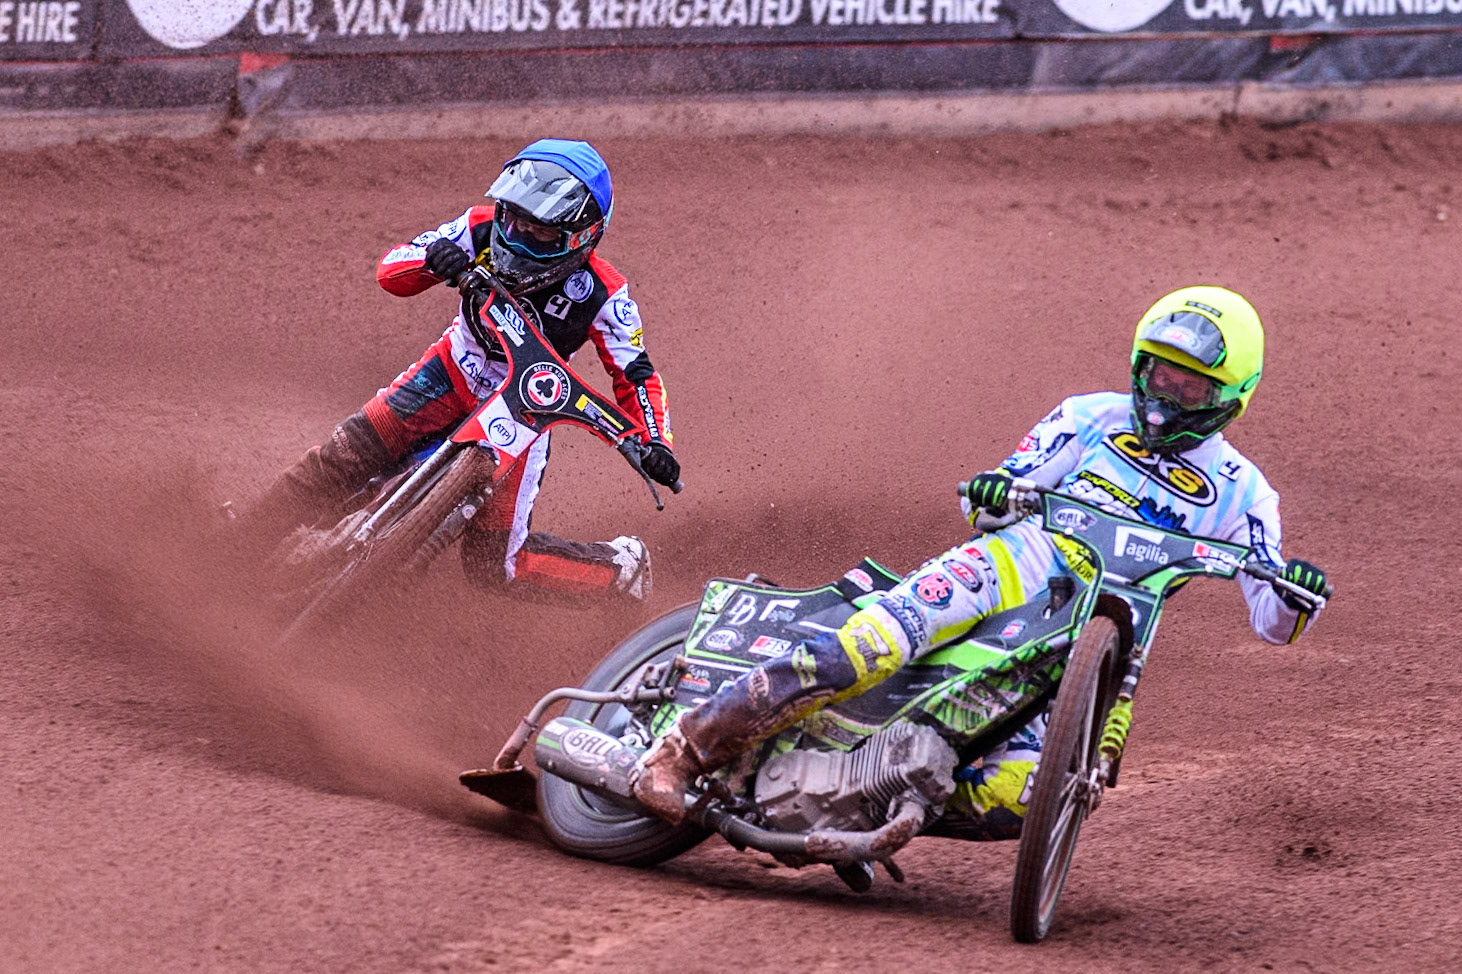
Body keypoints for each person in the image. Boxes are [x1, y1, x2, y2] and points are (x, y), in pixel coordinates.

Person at [632, 285, 1330, 826]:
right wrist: (996, 491)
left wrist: (1296, 592)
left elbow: (1273, 618)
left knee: (1032, 794)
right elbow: (991, 501)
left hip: (1104, 646)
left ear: (1231, 397)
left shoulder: (1246, 494)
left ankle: (860, 801)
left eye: (1191, 386)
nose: (1167, 394)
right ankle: (682, 751)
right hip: (1011, 568)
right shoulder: (1089, 416)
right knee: (863, 650)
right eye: (1159, 373)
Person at [240, 139, 678, 602]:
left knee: (496, 567)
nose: (519, 236)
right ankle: (237, 545)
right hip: (451, 371)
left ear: (581, 235)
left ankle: (620, 572)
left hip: (526, 409)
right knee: (342, 458)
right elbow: (391, 268)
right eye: (513, 219)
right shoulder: (479, 227)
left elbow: (637, 374)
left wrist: (655, 443)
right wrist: (433, 260)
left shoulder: (606, 294)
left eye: (540, 232)